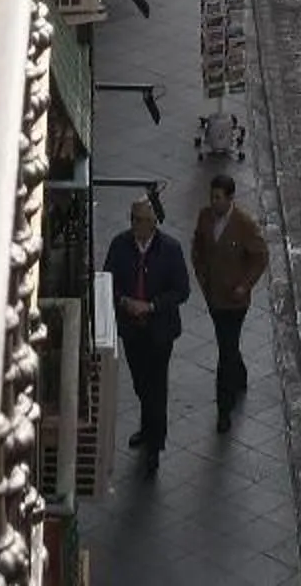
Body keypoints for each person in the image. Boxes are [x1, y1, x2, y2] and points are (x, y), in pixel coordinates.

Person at [103, 193, 192, 468]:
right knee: (141, 383)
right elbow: (108, 280)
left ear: (153, 223)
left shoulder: (170, 249)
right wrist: (124, 301)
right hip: (131, 330)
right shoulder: (120, 245)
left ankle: (155, 443)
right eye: (132, 219)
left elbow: (181, 290)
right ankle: (147, 426)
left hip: (159, 331)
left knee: (157, 387)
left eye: (140, 220)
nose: (135, 225)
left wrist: (152, 306)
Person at [190, 171, 268, 432]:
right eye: (212, 197)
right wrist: (202, 275)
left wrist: (244, 285)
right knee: (228, 343)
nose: (214, 203)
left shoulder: (244, 224)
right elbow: (197, 247)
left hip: (235, 302)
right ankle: (240, 373)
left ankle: (224, 407)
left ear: (230, 198)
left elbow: (260, 257)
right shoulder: (204, 217)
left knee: (225, 350)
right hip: (214, 296)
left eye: (218, 198)